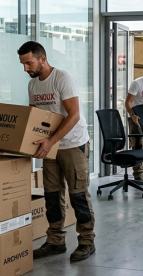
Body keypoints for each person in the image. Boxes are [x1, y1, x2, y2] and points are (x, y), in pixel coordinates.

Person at [18, 41, 96, 262]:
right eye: (23, 64)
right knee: (51, 195)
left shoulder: (63, 79)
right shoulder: (33, 85)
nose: (26, 69)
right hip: (48, 147)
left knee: (78, 195)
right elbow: (34, 118)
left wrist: (51, 141)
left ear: (42, 59)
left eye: (29, 63)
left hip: (72, 145)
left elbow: (74, 115)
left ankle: (87, 242)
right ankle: (55, 241)